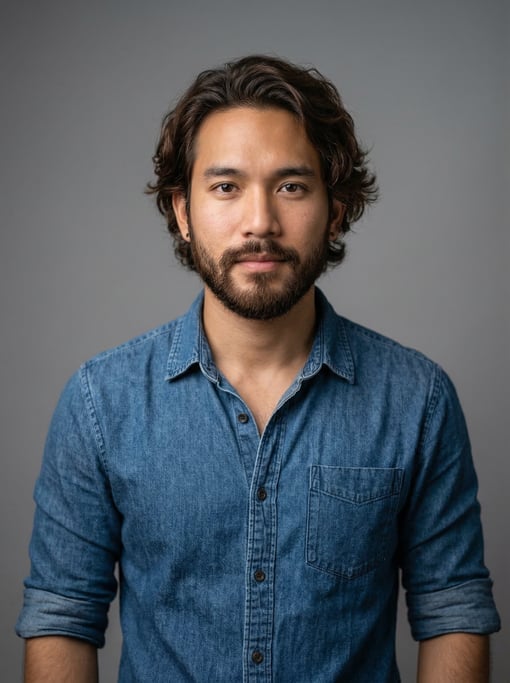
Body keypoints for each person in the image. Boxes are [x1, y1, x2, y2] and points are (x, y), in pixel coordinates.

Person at [17, 55, 500, 682]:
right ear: (183, 212)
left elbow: (451, 609)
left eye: (291, 186)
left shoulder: (417, 399)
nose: (260, 222)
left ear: (337, 209)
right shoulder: (99, 403)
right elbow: (62, 617)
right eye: (226, 186)